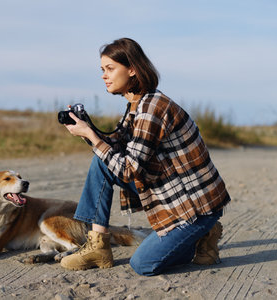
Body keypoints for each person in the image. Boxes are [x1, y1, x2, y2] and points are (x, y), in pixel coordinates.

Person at [60, 38, 231, 276]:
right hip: (172, 191)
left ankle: (202, 235)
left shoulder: (153, 108)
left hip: (194, 207)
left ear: (132, 69)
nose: (104, 76)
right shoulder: (137, 105)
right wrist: (87, 129)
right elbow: (115, 146)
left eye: (110, 69)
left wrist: (92, 136)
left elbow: (129, 169)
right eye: (102, 70)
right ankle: (98, 245)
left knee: (143, 265)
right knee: (102, 162)